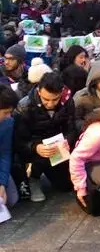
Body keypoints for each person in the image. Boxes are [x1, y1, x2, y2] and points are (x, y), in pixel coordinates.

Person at [14, 73, 77, 202]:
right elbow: (19, 140)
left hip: (59, 147)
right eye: (46, 99)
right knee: (38, 156)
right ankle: (34, 178)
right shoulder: (25, 106)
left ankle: (51, 172)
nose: (50, 104)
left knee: (66, 186)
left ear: (61, 93)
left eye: (55, 99)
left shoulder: (67, 101)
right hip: (36, 148)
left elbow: (71, 128)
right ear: (39, 90)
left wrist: (67, 140)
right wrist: (35, 147)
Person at [0, 84, 20, 208]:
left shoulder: (8, 122)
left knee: (11, 199)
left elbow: (5, 153)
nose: (9, 116)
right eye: (6, 112)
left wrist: (2, 184)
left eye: (10, 112)